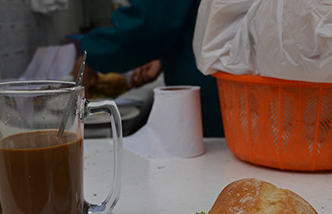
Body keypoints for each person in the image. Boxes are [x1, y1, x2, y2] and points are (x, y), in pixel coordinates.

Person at [76, 0, 224, 137]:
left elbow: (149, 24)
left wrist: (92, 54)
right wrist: (165, 56)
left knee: (216, 156)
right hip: (220, 71)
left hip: (212, 88)